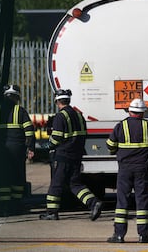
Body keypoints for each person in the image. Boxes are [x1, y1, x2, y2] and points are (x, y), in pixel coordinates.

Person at [39, 89, 103, 221]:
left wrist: (47, 146)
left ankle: (52, 212)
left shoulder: (60, 116)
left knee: (56, 184)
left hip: (63, 155)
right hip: (76, 154)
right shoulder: (79, 115)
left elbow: (56, 138)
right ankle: (93, 202)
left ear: (57, 101)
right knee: (74, 184)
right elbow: (84, 134)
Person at [106, 98, 148, 243]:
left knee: (122, 201)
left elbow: (110, 145)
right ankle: (144, 235)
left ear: (129, 111)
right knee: (142, 201)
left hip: (124, 169)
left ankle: (119, 235)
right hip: (142, 169)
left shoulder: (120, 126)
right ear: (143, 112)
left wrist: (116, 150)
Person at [0, 85, 35, 214]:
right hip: (17, 149)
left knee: (3, 176)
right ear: (17, 97)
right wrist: (31, 148)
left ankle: (4, 205)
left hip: (0, 149)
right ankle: (15, 205)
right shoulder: (20, 111)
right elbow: (29, 131)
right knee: (17, 176)